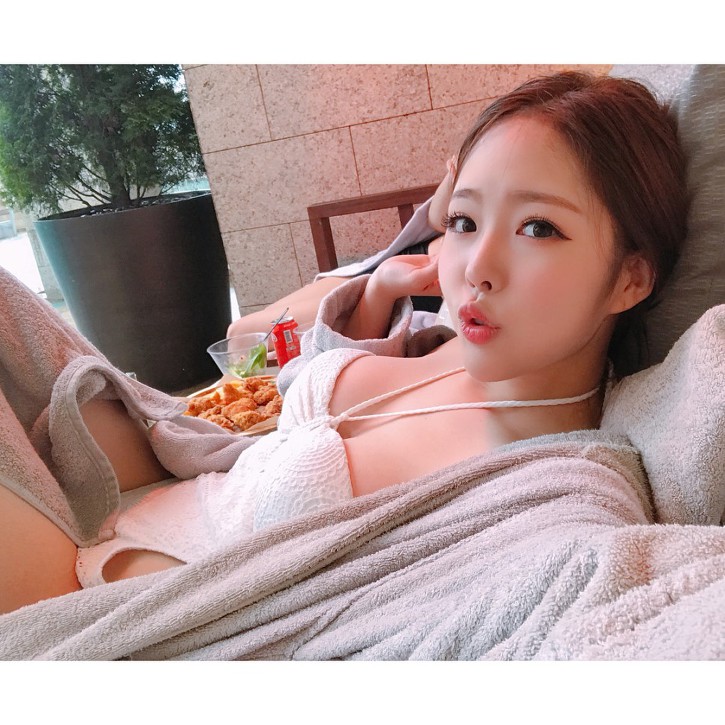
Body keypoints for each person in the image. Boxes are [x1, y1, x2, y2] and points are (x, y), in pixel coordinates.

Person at [0, 71, 687, 614]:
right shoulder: (451, 343)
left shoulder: (552, 499)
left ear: (630, 278)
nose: (477, 267)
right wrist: (388, 279)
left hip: (92, 590)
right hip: (155, 480)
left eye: (538, 228)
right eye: (465, 220)